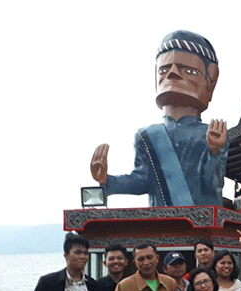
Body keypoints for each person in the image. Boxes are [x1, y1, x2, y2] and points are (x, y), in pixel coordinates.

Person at [90, 30, 228, 207]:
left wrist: (214, 153)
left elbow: (212, 185)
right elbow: (141, 180)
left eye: (189, 70)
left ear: (211, 79)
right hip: (161, 222)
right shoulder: (147, 135)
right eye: (164, 69)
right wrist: (107, 181)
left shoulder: (212, 134)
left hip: (202, 223)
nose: (173, 74)